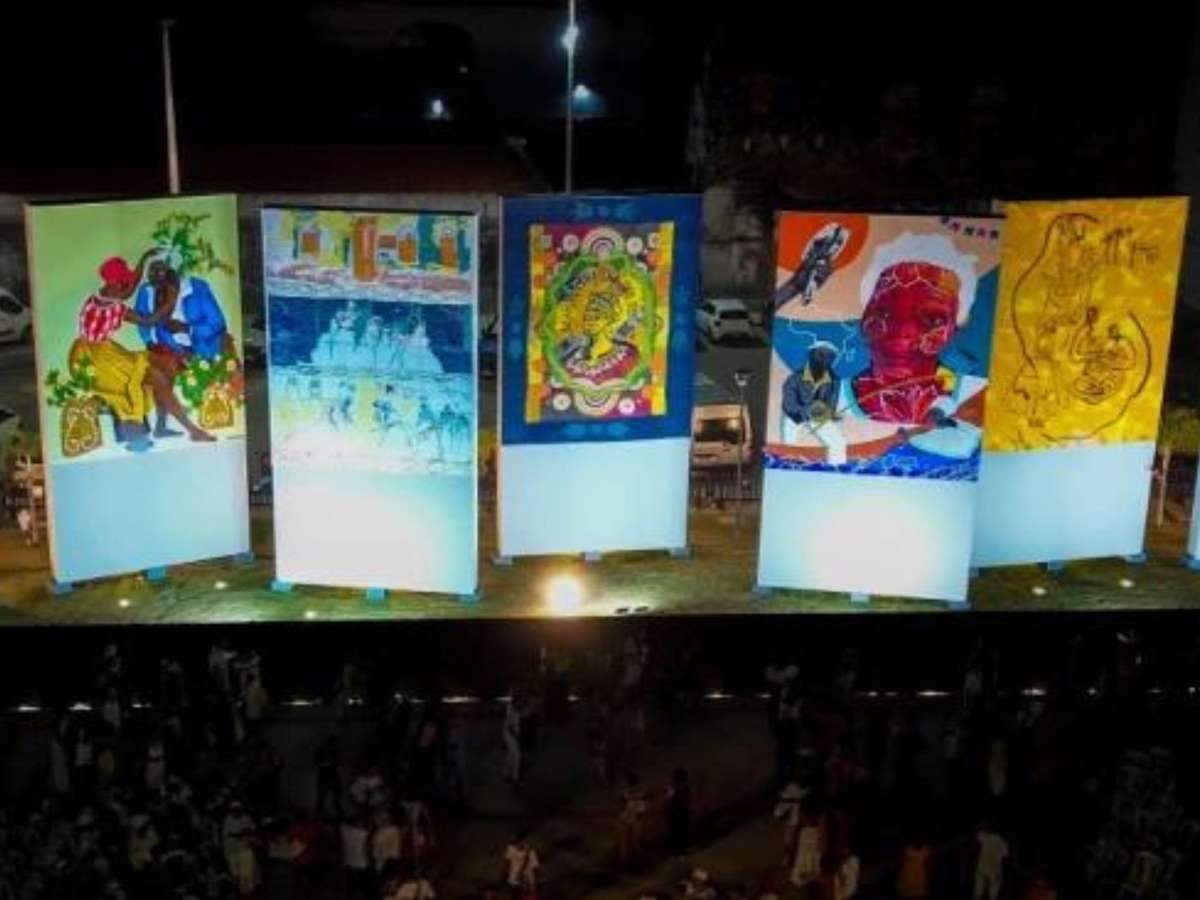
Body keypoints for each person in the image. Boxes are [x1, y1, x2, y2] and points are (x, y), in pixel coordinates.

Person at [617, 773, 648, 864]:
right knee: (626, 843)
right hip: (628, 820)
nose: (630, 786)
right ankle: (626, 860)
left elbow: (640, 811)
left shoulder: (639, 795)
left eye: (630, 783)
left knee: (635, 841)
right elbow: (622, 808)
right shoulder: (626, 795)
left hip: (634, 821)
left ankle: (636, 860)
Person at [974, 820, 1010, 900]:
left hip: (984, 867)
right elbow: (1005, 854)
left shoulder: (985, 837)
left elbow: (978, 836)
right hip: (993, 868)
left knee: (979, 889)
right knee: (993, 890)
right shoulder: (1000, 840)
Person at [503, 833, 540, 900]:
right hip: (514, 880)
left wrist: (533, 883)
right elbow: (507, 862)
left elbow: (535, 867)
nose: (520, 845)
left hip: (527, 881)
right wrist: (506, 874)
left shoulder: (530, 852)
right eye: (518, 843)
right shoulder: (511, 848)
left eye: (523, 843)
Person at [896, 832, 931, 900]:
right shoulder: (907, 849)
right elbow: (900, 861)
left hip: (920, 876)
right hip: (907, 876)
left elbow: (929, 863)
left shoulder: (926, 849)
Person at [665, 768, 692, 856]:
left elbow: (669, 800)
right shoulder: (685, 788)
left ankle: (676, 850)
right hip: (682, 813)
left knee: (675, 832)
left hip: (675, 813)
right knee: (681, 832)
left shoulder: (673, 788)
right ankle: (681, 850)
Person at [503, 694, 523, 784]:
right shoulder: (510, 710)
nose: (521, 703)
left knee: (511, 755)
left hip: (512, 735)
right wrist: (516, 737)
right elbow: (509, 726)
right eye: (520, 701)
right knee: (517, 755)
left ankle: (506, 774)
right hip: (510, 735)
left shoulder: (516, 709)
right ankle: (515, 777)